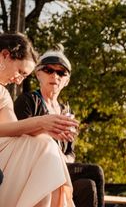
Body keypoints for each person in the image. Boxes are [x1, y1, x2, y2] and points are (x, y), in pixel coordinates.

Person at [14, 48, 105, 207]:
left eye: (61, 73)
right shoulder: (28, 101)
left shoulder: (67, 111)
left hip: (61, 169)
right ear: (38, 74)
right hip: (35, 168)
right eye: (48, 70)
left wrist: (66, 159)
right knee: (96, 172)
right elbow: (19, 136)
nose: (54, 76)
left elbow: (70, 151)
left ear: (67, 80)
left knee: (87, 186)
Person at [0, 31, 79, 207]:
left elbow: (12, 129)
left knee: (45, 143)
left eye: (24, 76)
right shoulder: (29, 100)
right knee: (44, 146)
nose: (19, 81)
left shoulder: (4, 95)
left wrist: (45, 128)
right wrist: (40, 122)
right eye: (20, 72)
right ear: (5, 56)